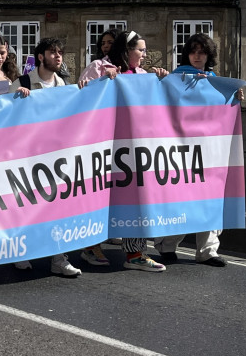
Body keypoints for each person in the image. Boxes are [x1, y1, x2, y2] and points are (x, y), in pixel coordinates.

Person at [78, 30, 169, 272]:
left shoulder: (142, 75)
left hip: (132, 148)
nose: (144, 54)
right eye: (140, 49)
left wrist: (161, 81)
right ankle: (91, 247)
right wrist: (103, 81)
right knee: (100, 196)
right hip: (103, 146)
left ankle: (135, 253)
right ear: (127, 50)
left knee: (135, 198)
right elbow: (82, 95)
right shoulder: (99, 66)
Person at [154, 33, 235, 267]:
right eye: (193, 51)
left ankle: (207, 251)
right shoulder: (177, 77)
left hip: (209, 150)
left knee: (210, 198)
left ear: (209, 55)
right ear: (187, 54)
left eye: (202, 51)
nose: (197, 55)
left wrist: (234, 98)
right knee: (182, 198)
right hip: (181, 148)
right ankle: (167, 245)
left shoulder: (215, 81)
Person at [8, 39, 88, 277]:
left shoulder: (64, 84)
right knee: (28, 205)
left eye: (60, 53)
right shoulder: (21, 83)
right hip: (29, 156)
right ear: (41, 57)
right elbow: (7, 121)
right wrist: (18, 100)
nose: (58, 56)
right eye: (53, 52)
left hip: (56, 156)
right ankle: (22, 253)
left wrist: (84, 92)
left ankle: (59, 257)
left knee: (58, 208)